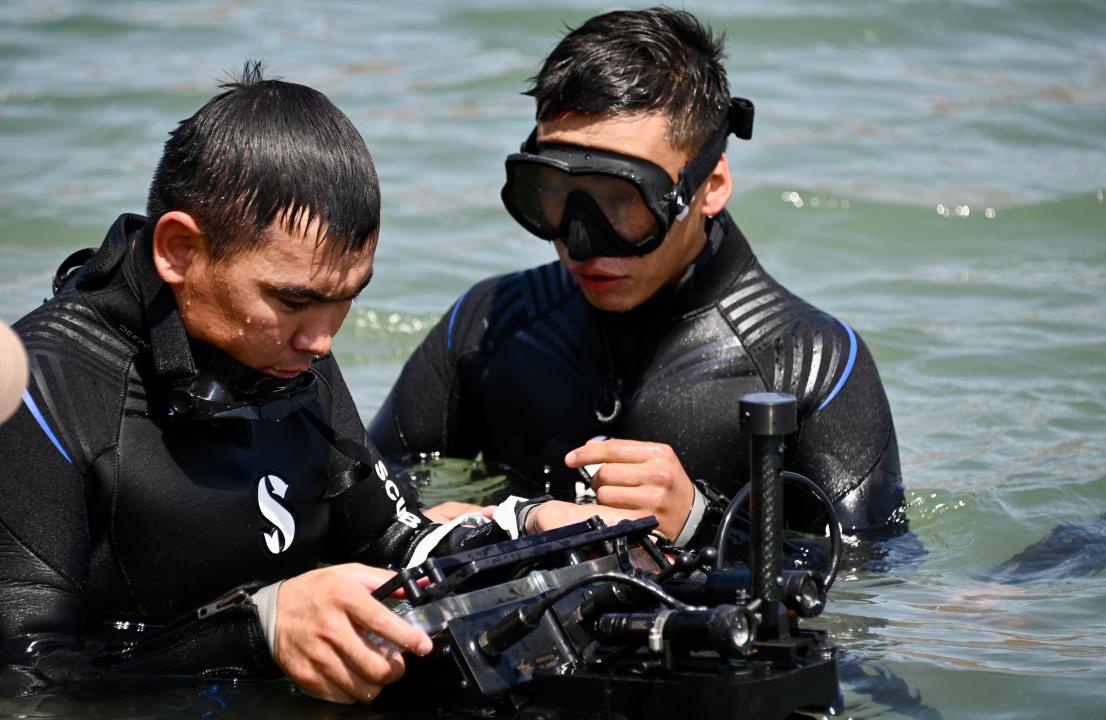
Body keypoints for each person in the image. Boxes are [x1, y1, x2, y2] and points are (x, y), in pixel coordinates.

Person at [0, 64, 599, 705]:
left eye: (346, 299)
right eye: (292, 300)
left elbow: (389, 536)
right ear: (178, 250)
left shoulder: (289, 346)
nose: (323, 341)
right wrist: (260, 632)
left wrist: (528, 532)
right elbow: (25, 680)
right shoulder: (43, 394)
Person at [370, 8, 905, 549]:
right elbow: (365, 496)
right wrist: (490, 522)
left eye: (623, 201)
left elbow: (874, 574)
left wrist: (701, 525)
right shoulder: (488, 324)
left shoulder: (811, 363)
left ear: (711, 185)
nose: (580, 242)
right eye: (553, 194)